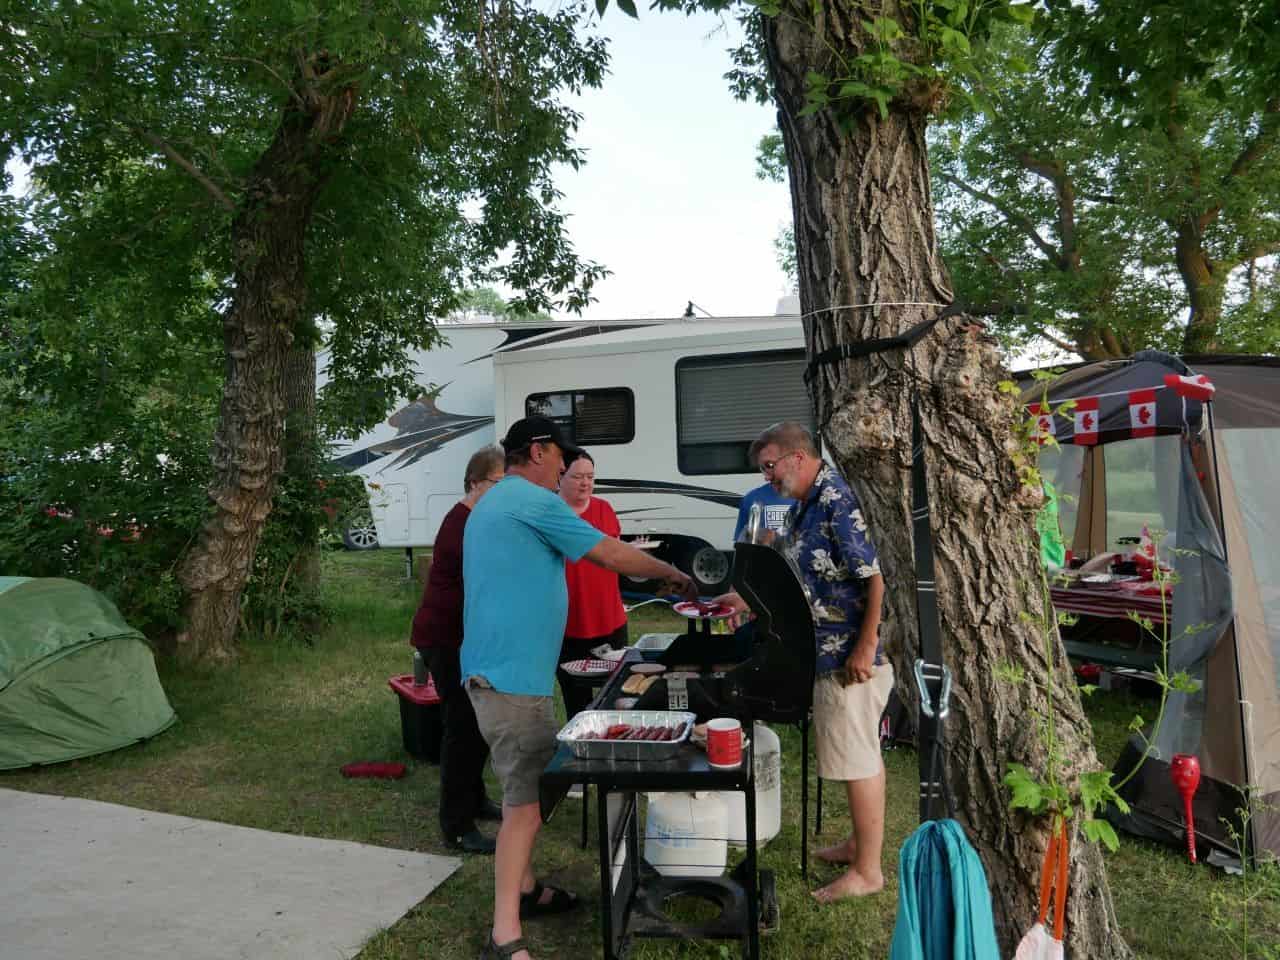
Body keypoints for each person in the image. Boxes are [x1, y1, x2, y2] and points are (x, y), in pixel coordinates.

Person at [462, 415, 696, 960]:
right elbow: (608, 552)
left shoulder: (493, 501)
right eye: (561, 457)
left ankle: (524, 887)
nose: (566, 467)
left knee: (533, 787)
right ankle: (504, 937)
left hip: (492, 673)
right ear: (539, 451)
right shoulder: (530, 499)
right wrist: (675, 574)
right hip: (511, 682)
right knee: (525, 806)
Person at [715, 421, 889, 903]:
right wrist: (745, 599)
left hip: (848, 656)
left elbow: (876, 576)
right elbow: (797, 576)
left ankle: (868, 871)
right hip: (825, 650)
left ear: (797, 456)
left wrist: (866, 645)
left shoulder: (837, 500)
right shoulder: (802, 506)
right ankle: (859, 843)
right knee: (862, 752)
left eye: (770, 466)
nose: (767, 477)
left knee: (857, 760)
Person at [409, 445, 506, 854]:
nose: (502, 493)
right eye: (496, 485)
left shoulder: (478, 517)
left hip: (461, 638)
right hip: (445, 641)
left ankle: (475, 799)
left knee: (477, 725)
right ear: (474, 483)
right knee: (463, 730)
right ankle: (457, 825)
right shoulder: (464, 523)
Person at [556, 450, 628, 720]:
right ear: (560, 477)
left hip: (609, 620)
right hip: (568, 625)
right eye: (577, 477)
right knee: (575, 698)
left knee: (616, 694)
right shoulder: (551, 513)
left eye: (590, 477)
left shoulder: (604, 509)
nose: (585, 483)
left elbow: (617, 554)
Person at [733, 479, 796, 543]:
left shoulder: (801, 497)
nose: (766, 477)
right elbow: (740, 543)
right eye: (762, 468)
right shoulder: (751, 498)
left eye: (769, 468)